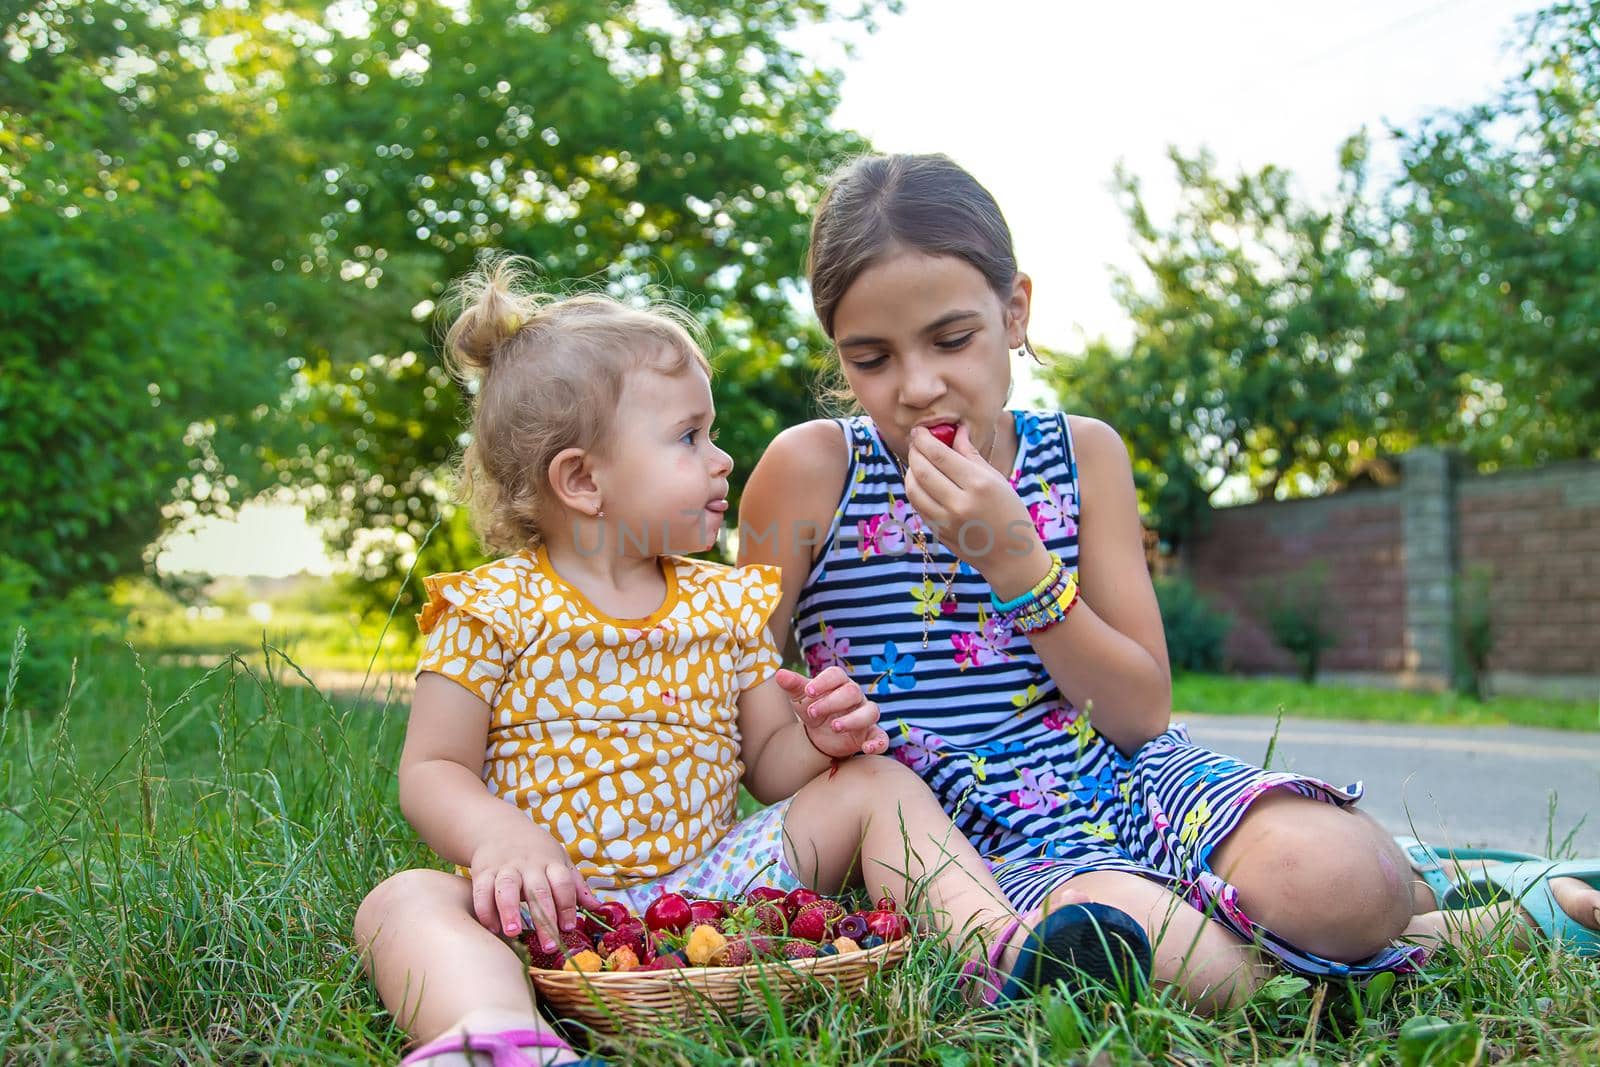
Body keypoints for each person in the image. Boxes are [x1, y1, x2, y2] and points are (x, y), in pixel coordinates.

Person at [737, 152, 1600, 1013]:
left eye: (952, 339)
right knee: (1197, 973)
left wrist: (1016, 561)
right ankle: (1477, 922)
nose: (919, 386)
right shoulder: (811, 471)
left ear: (1015, 310)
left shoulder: (1084, 454)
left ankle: (1387, 901)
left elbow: (1141, 710)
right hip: (964, 837)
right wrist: (821, 732)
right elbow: (749, 717)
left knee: (1350, 883)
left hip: (1126, 776)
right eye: (872, 358)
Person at [353, 254, 1153, 1067]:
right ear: (583, 479)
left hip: (708, 895)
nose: (722, 459)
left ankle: (999, 950)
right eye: (688, 437)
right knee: (405, 899)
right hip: (544, 902)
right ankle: (502, 1038)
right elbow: (432, 768)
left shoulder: (724, 604)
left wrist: (825, 738)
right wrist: (499, 837)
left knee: (879, 781)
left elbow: (770, 764)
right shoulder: (490, 608)